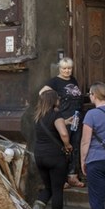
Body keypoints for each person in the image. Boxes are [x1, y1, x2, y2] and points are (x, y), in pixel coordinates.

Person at [28, 90, 73, 209]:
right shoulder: (56, 114)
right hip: (54, 156)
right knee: (57, 189)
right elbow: (64, 134)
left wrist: (65, 122)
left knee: (48, 187)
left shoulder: (38, 116)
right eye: (58, 97)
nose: (59, 99)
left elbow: (50, 126)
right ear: (54, 100)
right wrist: (67, 145)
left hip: (40, 156)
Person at [39, 57, 84, 189]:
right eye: (64, 68)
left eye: (69, 68)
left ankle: (72, 176)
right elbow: (42, 93)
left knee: (75, 145)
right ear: (59, 69)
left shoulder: (73, 80)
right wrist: (53, 108)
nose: (67, 71)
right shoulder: (54, 81)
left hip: (76, 117)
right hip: (63, 118)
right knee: (63, 146)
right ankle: (61, 177)